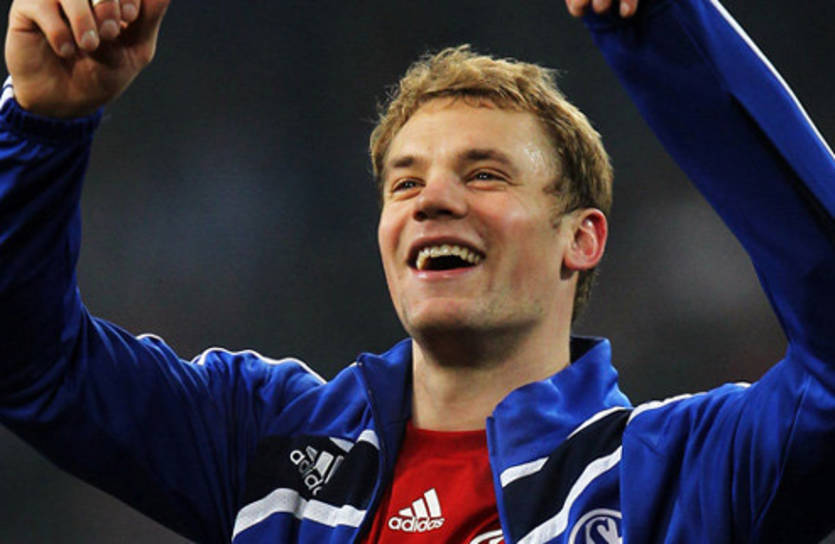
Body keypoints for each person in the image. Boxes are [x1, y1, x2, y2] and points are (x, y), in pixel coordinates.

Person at [1, 0, 833, 543]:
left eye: (485, 174)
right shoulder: (266, 442)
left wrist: (662, 33)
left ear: (581, 240)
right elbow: (30, 363)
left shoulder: (673, 473)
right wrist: (41, 126)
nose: (431, 200)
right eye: (404, 183)